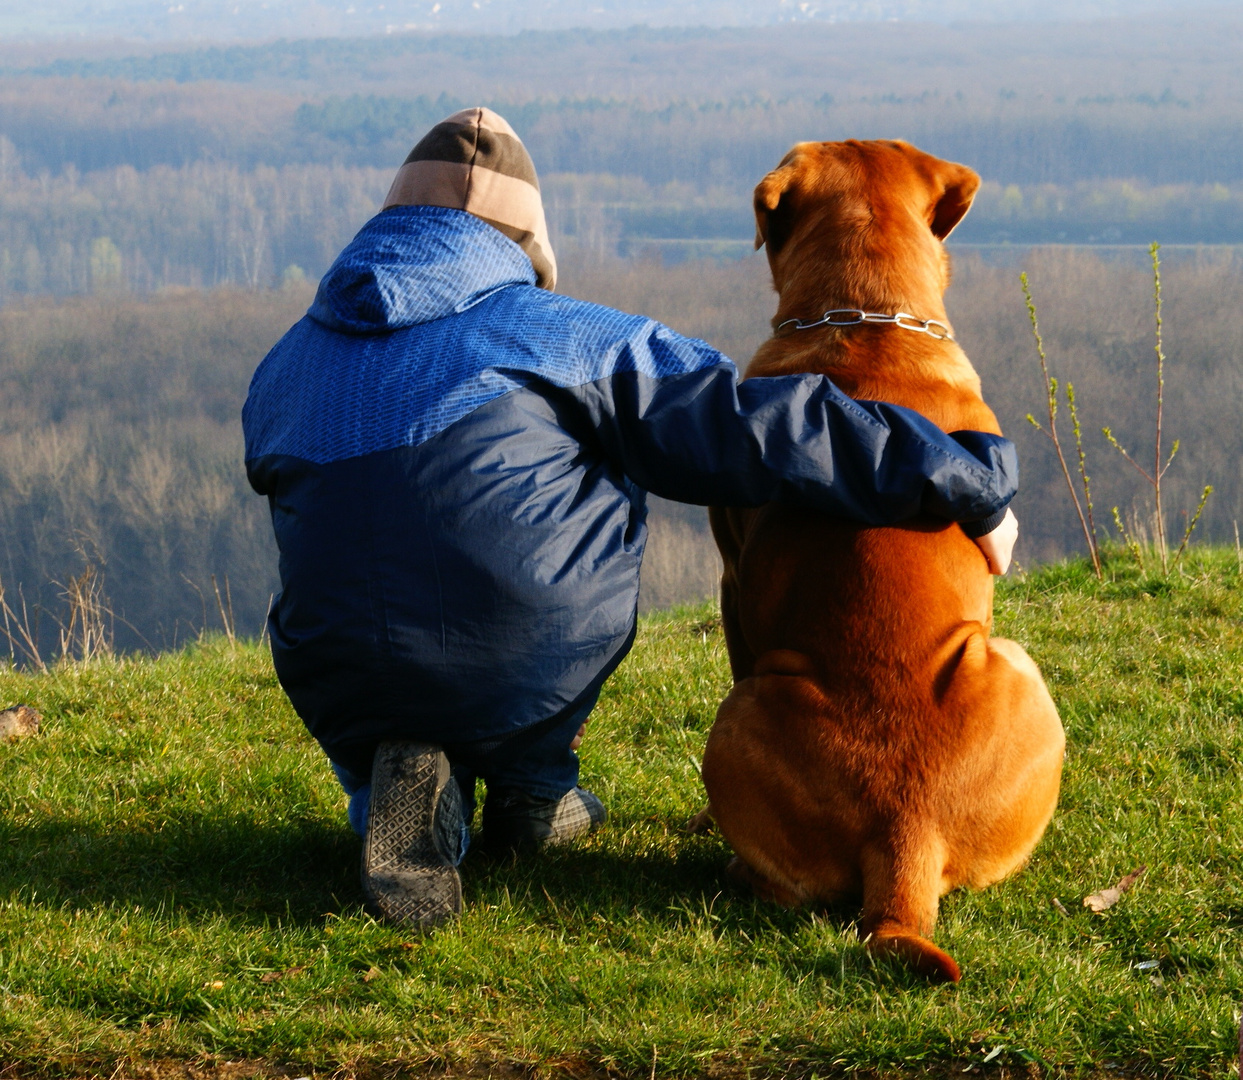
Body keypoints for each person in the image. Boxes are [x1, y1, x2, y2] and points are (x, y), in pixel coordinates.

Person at [242, 107, 1019, 931]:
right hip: (513, 664)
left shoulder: (283, 364)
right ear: (522, 241)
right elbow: (752, 428)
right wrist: (966, 474)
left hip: (333, 672)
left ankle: (380, 786)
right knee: (603, 457)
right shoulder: (570, 338)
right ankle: (535, 786)